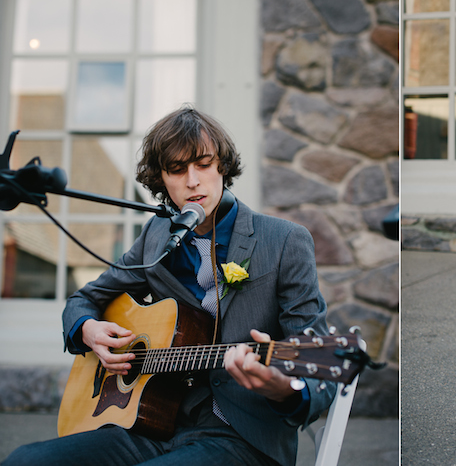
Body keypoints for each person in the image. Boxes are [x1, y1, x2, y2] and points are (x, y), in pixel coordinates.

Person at [3, 106, 334, 466]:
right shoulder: (157, 236)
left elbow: (319, 364)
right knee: (24, 461)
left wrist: (283, 387)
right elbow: (84, 299)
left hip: (240, 438)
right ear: (162, 179)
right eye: (177, 170)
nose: (192, 181)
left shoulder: (284, 241)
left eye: (203, 165)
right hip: (152, 422)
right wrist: (88, 329)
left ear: (222, 166)